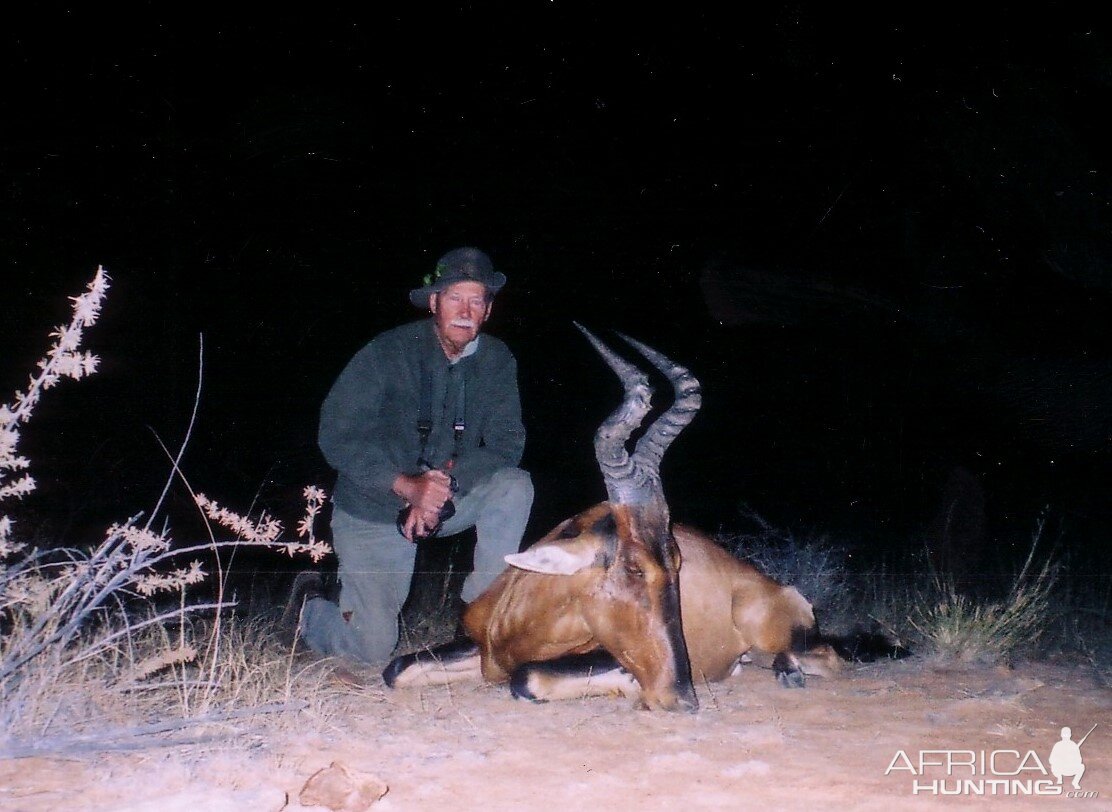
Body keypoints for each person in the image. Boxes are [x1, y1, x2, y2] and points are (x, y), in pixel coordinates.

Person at [289, 247, 533, 664]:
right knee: (371, 648)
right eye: (455, 297)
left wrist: (443, 486)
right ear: (434, 302)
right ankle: (309, 608)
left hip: (446, 500)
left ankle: (482, 613)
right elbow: (336, 435)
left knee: (515, 485)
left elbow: (507, 443)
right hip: (374, 506)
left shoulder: (496, 359)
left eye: (477, 300)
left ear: (488, 311)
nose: (465, 310)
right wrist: (406, 486)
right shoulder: (387, 352)